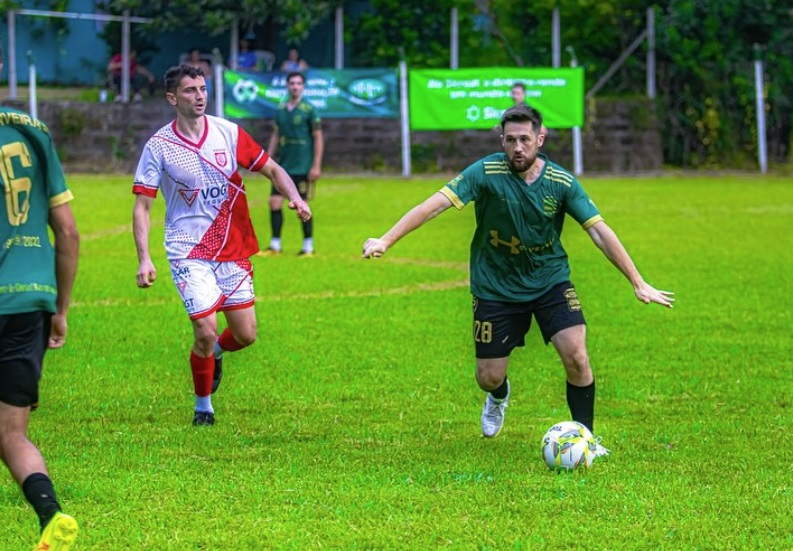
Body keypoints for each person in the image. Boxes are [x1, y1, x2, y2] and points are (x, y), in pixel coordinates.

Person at [362, 104, 673, 452]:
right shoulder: (485, 172)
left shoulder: (561, 182)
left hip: (549, 280)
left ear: (541, 138)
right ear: (502, 139)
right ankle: (498, 395)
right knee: (488, 377)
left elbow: (599, 232)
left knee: (577, 356)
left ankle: (586, 438)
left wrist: (637, 281)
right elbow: (433, 205)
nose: (518, 148)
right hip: (495, 286)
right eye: (510, 140)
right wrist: (386, 239)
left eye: (525, 139)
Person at [133, 65, 311, 427]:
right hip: (187, 248)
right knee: (205, 327)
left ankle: (214, 353)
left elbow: (273, 169)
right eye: (189, 91)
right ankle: (204, 407)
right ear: (172, 98)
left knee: (245, 335)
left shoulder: (228, 133)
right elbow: (143, 206)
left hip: (231, 245)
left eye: (202, 89)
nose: (199, 96)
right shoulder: (159, 147)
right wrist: (144, 258)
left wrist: (295, 198)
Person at [0, 45, 80, 550]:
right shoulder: (35, 130)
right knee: (12, 433)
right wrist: (61, 310)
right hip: (31, 299)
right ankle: (50, 515)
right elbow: (68, 234)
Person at [261, 71, 323, 256]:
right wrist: (267, 158)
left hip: (302, 165)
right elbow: (276, 135)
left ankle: (308, 247)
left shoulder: (309, 110)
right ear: (287, 86)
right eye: (292, 83)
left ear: (303, 86)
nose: (295, 87)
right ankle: (275, 245)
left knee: (302, 205)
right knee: (274, 202)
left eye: (298, 83)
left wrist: (316, 165)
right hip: (283, 167)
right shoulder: (280, 109)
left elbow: (318, 137)